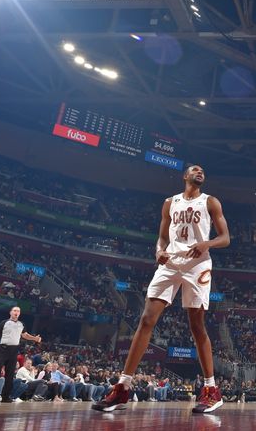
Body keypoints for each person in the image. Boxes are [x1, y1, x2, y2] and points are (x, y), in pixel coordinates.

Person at [92, 164, 230, 414]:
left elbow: (225, 238)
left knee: (196, 326)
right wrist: (158, 250)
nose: (200, 172)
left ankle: (211, 390)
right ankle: (123, 387)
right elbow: (163, 237)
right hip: (170, 263)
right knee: (146, 319)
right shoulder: (170, 203)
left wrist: (206, 243)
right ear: (185, 176)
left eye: (203, 171)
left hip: (197, 265)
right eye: (195, 169)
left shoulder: (211, 202)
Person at [0, 306, 41, 403]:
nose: (16, 312)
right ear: (10, 312)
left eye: (18, 311)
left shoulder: (21, 324)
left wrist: (34, 338)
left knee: (9, 375)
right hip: (2, 349)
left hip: (14, 351)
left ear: (19, 313)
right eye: (14, 310)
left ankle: (5, 397)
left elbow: (25, 335)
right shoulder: (4, 322)